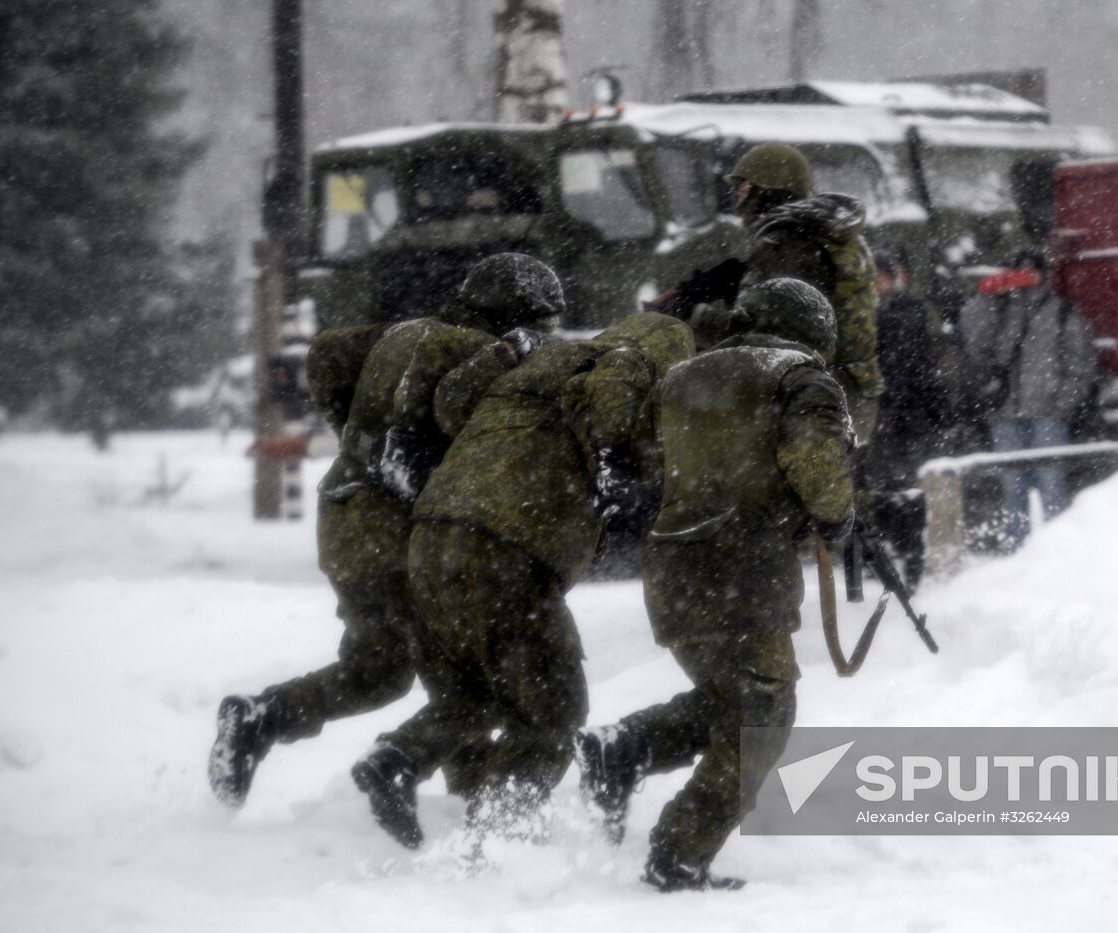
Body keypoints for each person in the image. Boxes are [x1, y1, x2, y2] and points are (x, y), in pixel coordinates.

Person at [207, 253, 565, 808]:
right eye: (544, 322)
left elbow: (325, 355)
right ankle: (443, 786)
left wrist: (355, 435)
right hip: (402, 530)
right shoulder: (477, 352)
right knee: (464, 680)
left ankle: (261, 717)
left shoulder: (404, 334)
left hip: (344, 517)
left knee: (377, 670)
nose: (548, 334)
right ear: (515, 313)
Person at [350, 311, 696, 851]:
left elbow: (451, 401)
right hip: (506, 546)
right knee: (554, 714)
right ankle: (497, 834)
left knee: (484, 692)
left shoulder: (543, 362)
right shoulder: (626, 365)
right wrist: (620, 462)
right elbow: (617, 388)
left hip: (432, 534)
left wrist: (503, 358)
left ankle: (398, 757)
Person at [579, 279, 856, 892]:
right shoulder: (799, 377)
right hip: (743, 566)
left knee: (731, 701)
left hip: (672, 565)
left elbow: (648, 457)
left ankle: (625, 747)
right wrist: (835, 516)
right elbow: (818, 465)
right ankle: (679, 853)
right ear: (812, 332)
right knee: (764, 719)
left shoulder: (682, 376)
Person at [658, 142, 883, 444]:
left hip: (806, 408)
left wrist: (691, 315)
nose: (738, 202)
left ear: (763, 192)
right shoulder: (833, 238)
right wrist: (741, 277)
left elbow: (761, 340)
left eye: (743, 190)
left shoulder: (784, 245)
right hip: (846, 396)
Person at [958, 248, 1097, 551]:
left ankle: (1058, 551)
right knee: (1012, 487)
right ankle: (1016, 550)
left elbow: (1081, 363)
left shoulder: (1061, 312)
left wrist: (1063, 404)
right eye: (1018, 270)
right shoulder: (999, 309)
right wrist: (987, 297)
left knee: (1052, 484)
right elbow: (974, 340)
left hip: (1048, 413)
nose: (1025, 276)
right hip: (1005, 412)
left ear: (1043, 274)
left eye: (1031, 270)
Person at [863, 248, 954, 589]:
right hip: (881, 413)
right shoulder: (862, 313)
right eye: (873, 278)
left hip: (914, 411)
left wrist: (937, 402)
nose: (878, 284)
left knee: (912, 487)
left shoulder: (913, 310)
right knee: (882, 488)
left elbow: (933, 359)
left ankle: (912, 554)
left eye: (882, 277)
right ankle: (886, 552)